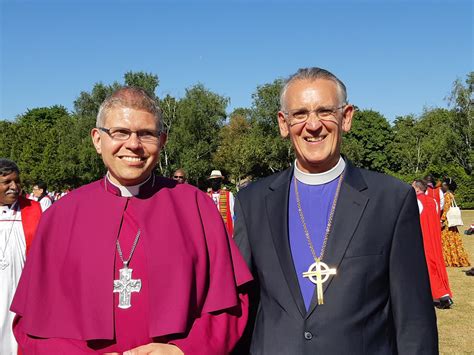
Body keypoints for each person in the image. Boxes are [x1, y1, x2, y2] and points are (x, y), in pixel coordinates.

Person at [11, 87, 252, 354]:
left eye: (146, 133)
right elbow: (31, 328)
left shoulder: (196, 206)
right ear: (97, 139)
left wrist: (185, 350)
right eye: (120, 132)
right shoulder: (60, 215)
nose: (133, 144)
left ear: (163, 140)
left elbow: (231, 304)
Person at [234, 68, 438, 354]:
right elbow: (241, 307)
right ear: (283, 123)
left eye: (325, 111)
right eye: (300, 113)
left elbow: (414, 321)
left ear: (347, 117)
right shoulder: (252, 201)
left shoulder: (390, 200)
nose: (313, 124)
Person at [0, 159, 42, 355]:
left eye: (17, 181)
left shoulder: (33, 211)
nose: (14, 187)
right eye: (7, 182)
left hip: (21, 292)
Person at [412, 179, 453, 309]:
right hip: (433, 237)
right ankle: (442, 294)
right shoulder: (433, 201)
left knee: (427, 267)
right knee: (435, 264)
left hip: (422, 237)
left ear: (417, 189)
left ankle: (440, 295)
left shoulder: (416, 201)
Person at [440, 177, 471, 267]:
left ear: (447, 186)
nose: (442, 185)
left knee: (446, 241)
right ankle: (453, 259)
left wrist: (441, 220)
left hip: (446, 222)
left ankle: (448, 260)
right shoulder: (449, 194)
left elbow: (446, 209)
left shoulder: (447, 195)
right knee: (452, 241)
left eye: (444, 184)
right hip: (450, 222)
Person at [207, 170, 235, 236]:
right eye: (213, 180)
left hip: (226, 229)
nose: (215, 182)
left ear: (220, 181)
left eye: (217, 180)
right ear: (210, 182)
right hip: (212, 229)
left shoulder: (229, 195)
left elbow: (233, 213)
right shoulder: (206, 196)